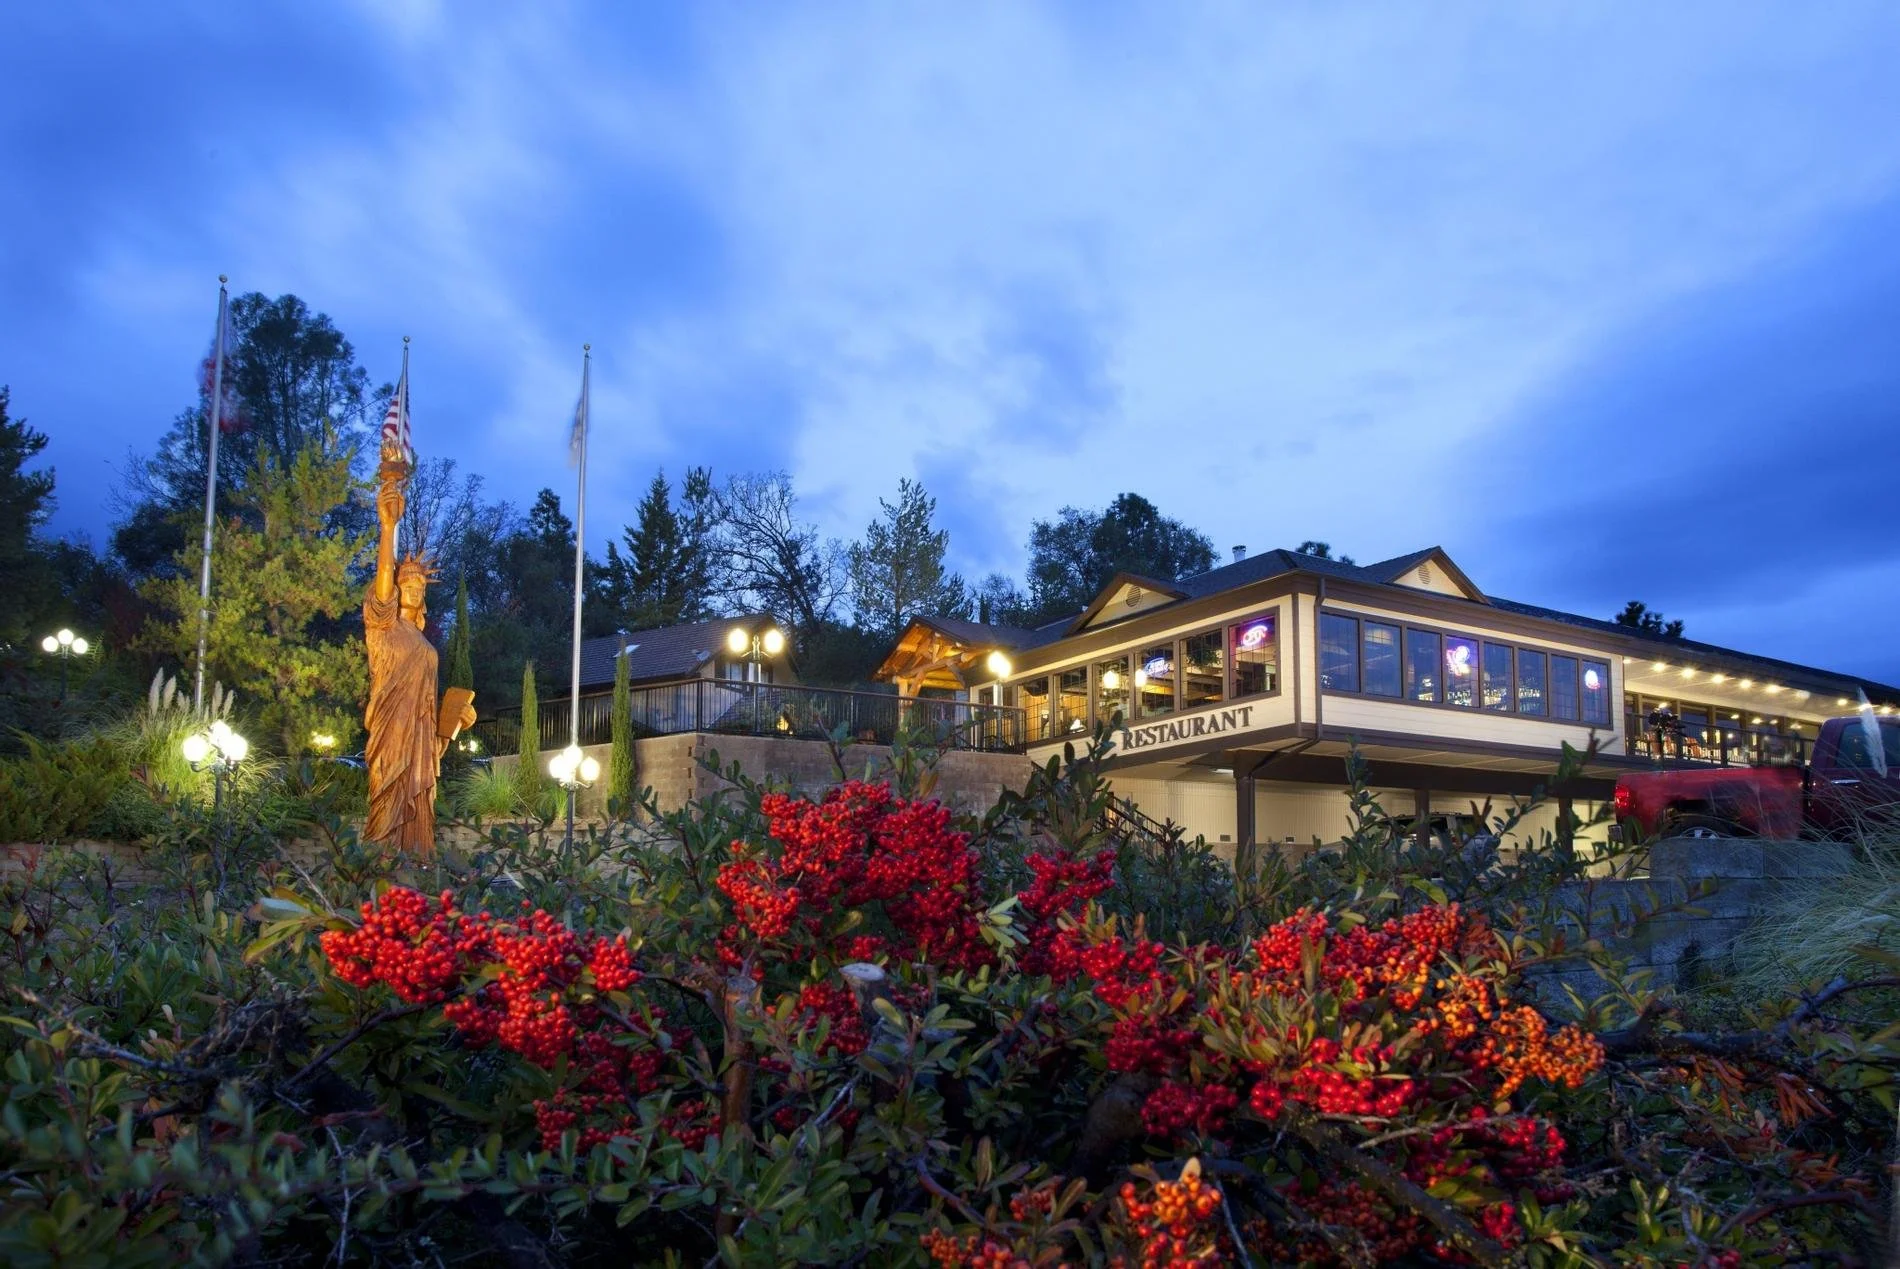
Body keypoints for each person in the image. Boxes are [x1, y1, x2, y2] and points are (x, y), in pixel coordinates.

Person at [363, 437, 476, 853]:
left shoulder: (422, 642)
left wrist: (454, 721)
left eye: (416, 583)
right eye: (403, 582)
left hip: (422, 735)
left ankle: (417, 866)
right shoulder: (383, 627)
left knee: (420, 800)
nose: (410, 587)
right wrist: (387, 528)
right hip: (391, 729)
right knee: (388, 796)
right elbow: (382, 587)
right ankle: (380, 864)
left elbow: (431, 702)